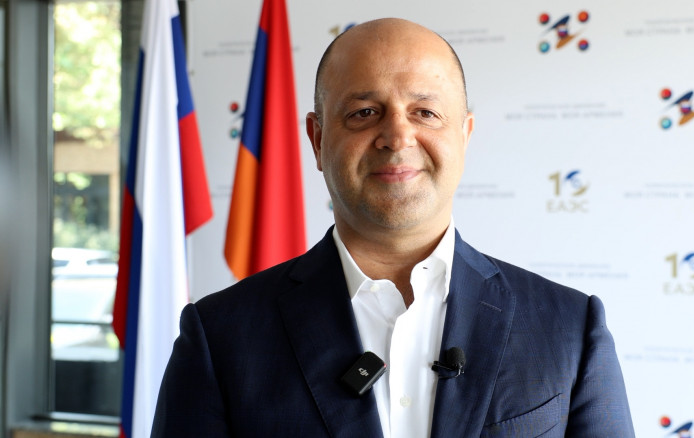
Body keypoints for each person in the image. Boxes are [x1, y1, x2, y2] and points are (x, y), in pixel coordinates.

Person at [151, 18, 634, 437]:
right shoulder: (220, 337)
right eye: (364, 112)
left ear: (464, 135)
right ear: (317, 140)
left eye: (425, 112)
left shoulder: (570, 328)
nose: (398, 136)